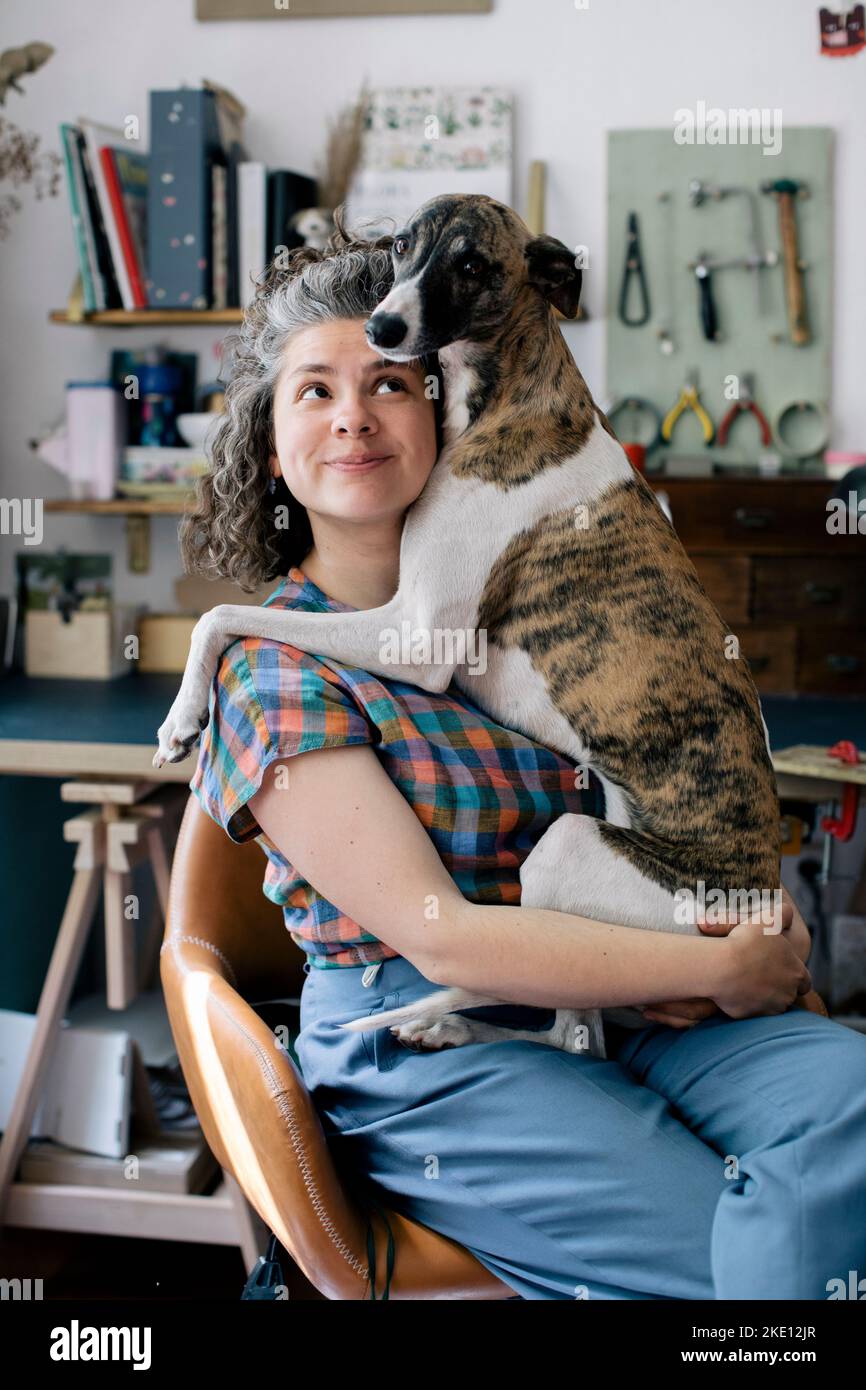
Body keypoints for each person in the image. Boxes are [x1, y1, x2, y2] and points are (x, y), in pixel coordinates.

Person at [184, 207, 866, 1301]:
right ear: (271, 445)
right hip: (437, 1049)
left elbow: (642, 780)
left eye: (387, 383)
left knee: (851, 1113)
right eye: (315, 389)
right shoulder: (274, 673)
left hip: (605, 999)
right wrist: (719, 965)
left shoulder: (514, 610)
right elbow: (442, 939)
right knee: (732, 1254)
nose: (355, 416)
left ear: (441, 405)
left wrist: (739, 915)